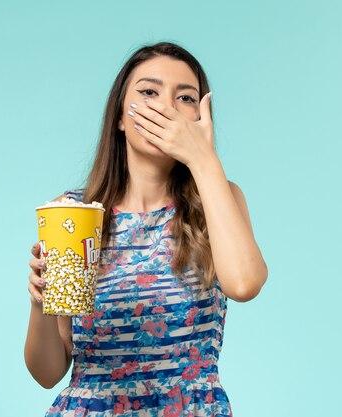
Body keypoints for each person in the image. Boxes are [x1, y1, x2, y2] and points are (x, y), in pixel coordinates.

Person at [24, 41, 268, 416]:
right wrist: (40, 304)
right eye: (149, 92)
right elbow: (48, 372)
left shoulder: (219, 199)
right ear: (121, 116)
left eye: (185, 98)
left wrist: (204, 159)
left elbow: (244, 283)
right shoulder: (74, 214)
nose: (165, 108)